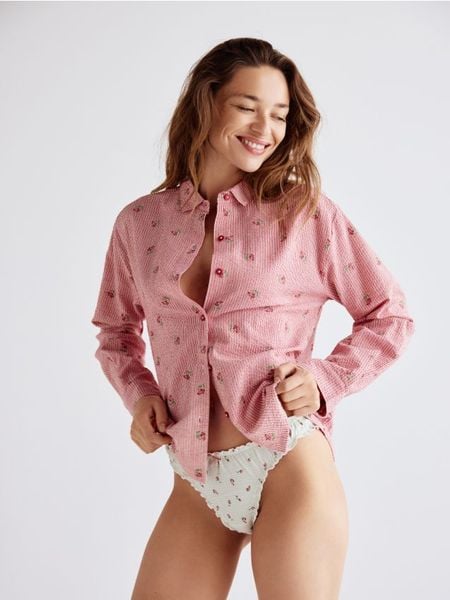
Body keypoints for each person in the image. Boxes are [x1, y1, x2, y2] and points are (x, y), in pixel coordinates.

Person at [91, 37, 415, 600]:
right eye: (247, 106)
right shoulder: (139, 224)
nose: (265, 128)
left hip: (288, 461)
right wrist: (139, 395)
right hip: (194, 481)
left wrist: (325, 379)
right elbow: (115, 332)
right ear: (206, 104)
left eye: (280, 115)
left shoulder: (304, 215)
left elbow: (390, 315)